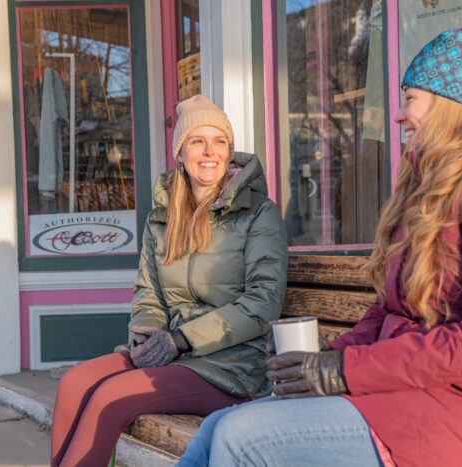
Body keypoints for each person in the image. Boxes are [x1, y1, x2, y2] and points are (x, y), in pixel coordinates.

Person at [176, 28, 462, 467]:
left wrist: (345, 372)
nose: (399, 116)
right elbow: (390, 312)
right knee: (216, 428)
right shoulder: (430, 195)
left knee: (241, 437)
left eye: (411, 98)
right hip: (403, 395)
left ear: (451, 106)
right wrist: (330, 355)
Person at [50, 95, 288, 467]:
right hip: (174, 353)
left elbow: (263, 302)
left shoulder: (258, 212)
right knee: (74, 383)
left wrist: (180, 340)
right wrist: (148, 333)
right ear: (180, 152)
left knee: (110, 398)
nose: (210, 152)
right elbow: (149, 289)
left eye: (220, 141)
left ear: (230, 149)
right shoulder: (163, 216)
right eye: (197, 141)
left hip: (233, 367)